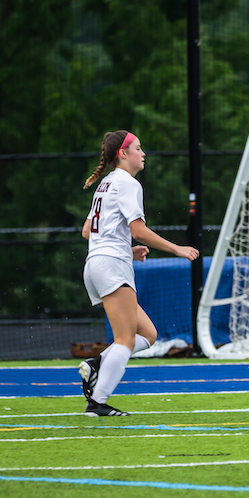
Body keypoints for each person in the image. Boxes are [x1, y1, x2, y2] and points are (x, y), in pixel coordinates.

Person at [79, 130, 200, 416]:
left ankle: (98, 365)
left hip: (97, 263)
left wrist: (127, 250)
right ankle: (97, 402)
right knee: (125, 340)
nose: (143, 153)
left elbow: (88, 232)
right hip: (111, 265)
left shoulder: (106, 183)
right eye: (138, 148)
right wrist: (177, 249)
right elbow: (139, 231)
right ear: (123, 154)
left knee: (148, 333)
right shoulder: (128, 183)